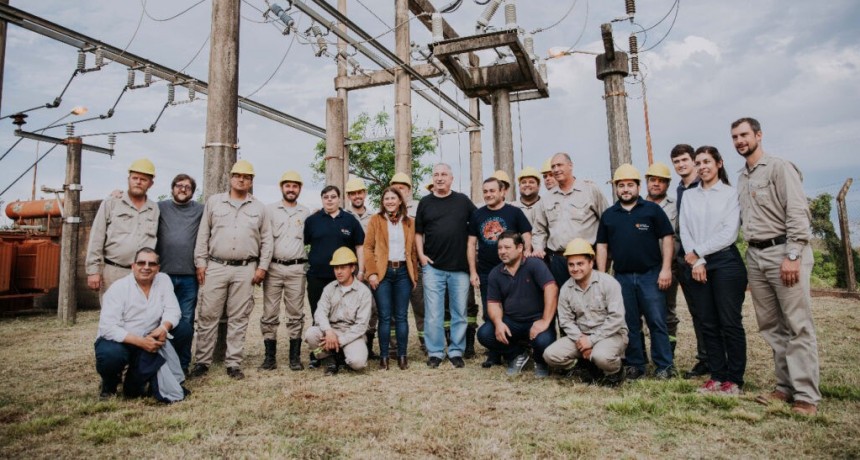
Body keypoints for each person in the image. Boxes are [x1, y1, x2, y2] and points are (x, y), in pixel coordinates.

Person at [732, 117, 820, 415]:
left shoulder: (780, 167)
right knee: (771, 325)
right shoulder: (742, 176)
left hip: (783, 251)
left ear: (758, 135)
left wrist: (793, 254)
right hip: (755, 255)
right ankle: (784, 387)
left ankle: (806, 395)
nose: (740, 141)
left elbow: (797, 211)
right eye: (735, 137)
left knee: (797, 324)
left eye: (744, 135)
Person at [190, 159, 273, 380]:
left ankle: (234, 362)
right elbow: (203, 235)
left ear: (251, 181)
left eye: (246, 177)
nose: (241, 179)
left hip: (246, 269)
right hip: (216, 266)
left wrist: (262, 267)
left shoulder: (259, 208)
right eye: (237, 175)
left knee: (239, 317)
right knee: (208, 315)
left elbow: (266, 240)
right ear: (230, 177)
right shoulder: (214, 203)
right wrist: (200, 262)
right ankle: (202, 362)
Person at [596, 164, 675, 380]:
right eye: (621, 185)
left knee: (657, 321)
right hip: (621, 277)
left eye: (630, 185)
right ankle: (635, 364)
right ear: (616, 188)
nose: (625, 189)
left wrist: (666, 269)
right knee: (629, 323)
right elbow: (602, 245)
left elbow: (667, 237)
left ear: (638, 187)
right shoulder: (609, 215)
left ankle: (664, 365)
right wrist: (602, 276)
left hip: (650, 274)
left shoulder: (652, 210)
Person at [680, 146, 748, 395]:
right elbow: (684, 229)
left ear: (719, 163)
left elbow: (729, 233)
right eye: (698, 162)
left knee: (729, 322)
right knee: (708, 322)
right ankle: (717, 376)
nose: (702, 166)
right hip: (697, 264)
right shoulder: (689, 196)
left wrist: (699, 253)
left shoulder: (730, 194)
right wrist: (696, 261)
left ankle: (735, 379)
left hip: (725, 262)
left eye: (707, 161)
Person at [94, 248, 191, 401]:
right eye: (141, 263)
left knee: (184, 329)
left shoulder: (163, 280)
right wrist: (141, 342)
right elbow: (108, 328)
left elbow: (173, 311)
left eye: (152, 264)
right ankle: (109, 384)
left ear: (158, 268)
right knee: (110, 355)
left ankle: (142, 374)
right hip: (123, 341)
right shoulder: (119, 288)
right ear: (133, 266)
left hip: (151, 335)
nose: (146, 267)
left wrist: (163, 328)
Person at [416, 163, 476, 368]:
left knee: (460, 312)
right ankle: (435, 352)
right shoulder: (425, 202)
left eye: (444, 174)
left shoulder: (463, 201)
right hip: (433, 267)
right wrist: (421, 256)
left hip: (459, 268)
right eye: (436, 175)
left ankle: (456, 351)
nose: (439, 178)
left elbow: (477, 223)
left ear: (451, 178)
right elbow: (418, 233)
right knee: (433, 313)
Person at [468, 177, 533, 368]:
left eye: (492, 191)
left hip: (514, 272)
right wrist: (473, 271)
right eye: (485, 191)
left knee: (513, 312)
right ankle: (495, 353)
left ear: (502, 192)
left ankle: (520, 347)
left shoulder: (515, 212)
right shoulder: (478, 215)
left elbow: (527, 235)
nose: (488, 194)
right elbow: (471, 244)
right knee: (491, 315)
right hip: (488, 273)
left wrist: (526, 256)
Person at [543, 239, 628, 386]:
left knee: (601, 356)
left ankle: (616, 372)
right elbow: (565, 320)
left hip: (610, 334)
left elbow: (616, 318)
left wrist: (592, 341)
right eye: (571, 264)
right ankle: (585, 367)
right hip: (582, 335)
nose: (575, 269)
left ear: (591, 262)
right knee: (550, 355)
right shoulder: (566, 289)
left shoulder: (608, 283)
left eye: (580, 263)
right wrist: (581, 340)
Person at [477, 231, 557, 377]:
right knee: (485, 334)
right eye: (499, 248)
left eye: (507, 247)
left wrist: (545, 321)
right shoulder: (495, 273)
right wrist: (498, 322)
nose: (502, 252)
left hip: (536, 320)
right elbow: (493, 303)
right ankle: (517, 354)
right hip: (512, 322)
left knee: (544, 342)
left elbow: (551, 289)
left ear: (520, 248)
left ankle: (540, 361)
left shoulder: (535, 264)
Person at [304, 185, 365, 367]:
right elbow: (306, 243)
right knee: (319, 315)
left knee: (343, 316)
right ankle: (320, 355)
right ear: (322, 199)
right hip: (317, 276)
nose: (329, 200)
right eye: (326, 197)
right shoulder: (312, 220)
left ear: (339, 199)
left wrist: (360, 270)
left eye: (333, 197)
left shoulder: (350, 220)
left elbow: (359, 246)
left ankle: (341, 351)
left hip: (342, 278)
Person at [86, 158, 159, 301]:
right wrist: (92, 271)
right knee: (112, 315)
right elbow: (97, 237)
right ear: (128, 179)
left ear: (150, 184)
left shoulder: (154, 208)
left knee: (140, 315)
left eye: (143, 179)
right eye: (135, 178)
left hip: (143, 272)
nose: (138, 182)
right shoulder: (111, 203)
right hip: (114, 271)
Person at [532, 152, 609, 287]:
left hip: (586, 258)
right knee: (563, 303)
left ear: (570, 166)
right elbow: (539, 230)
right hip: (558, 261)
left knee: (591, 303)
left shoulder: (590, 190)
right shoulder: (547, 198)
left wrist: (606, 257)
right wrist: (538, 248)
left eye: (559, 165)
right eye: (553, 166)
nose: (556, 169)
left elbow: (607, 222)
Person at [260, 171, 311, 371]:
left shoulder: (305, 212)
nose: (291, 189)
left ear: (300, 189)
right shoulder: (270, 210)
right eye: (288, 185)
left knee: (296, 313)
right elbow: (264, 239)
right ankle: (269, 357)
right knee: (270, 313)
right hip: (273, 267)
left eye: (295, 186)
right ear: (282, 187)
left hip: (297, 268)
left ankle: (294, 357)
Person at [363, 187, 418, 370]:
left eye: (393, 198)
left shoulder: (409, 222)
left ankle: (402, 356)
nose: (389, 201)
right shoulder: (375, 220)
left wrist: (414, 276)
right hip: (382, 273)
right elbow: (368, 248)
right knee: (385, 317)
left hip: (403, 272)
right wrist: (371, 272)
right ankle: (384, 357)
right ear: (382, 202)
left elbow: (412, 252)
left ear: (400, 201)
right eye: (386, 198)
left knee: (401, 316)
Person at [155, 173, 203, 375]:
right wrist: (116, 195)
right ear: (172, 188)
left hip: (189, 276)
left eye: (188, 187)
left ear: (193, 191)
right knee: (159, 319)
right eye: (179, 185)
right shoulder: (159, 207)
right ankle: (159, 361)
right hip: (162, 276)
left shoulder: (200, 210)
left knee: (185, 321)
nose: (183, 189)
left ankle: (182, 365)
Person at [671, 143, 710, 379]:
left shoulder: (704, 185)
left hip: (703, 258)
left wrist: (701, 258)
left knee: (710, 312)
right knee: (697, 312)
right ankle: (704, 358)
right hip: (684, 259)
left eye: (685, 160)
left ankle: (716, 358)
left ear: (694, 160)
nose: (681, 165)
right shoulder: (681, 188)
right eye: (676, 162)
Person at [304, 247, 373, 375]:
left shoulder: (364, 292)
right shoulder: (329, 289)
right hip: (331, 331)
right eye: (336, 268)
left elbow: (361, 325)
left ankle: (341, 356)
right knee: (310, 334)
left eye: (343, 267)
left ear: (352, 268)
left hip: (352, 334)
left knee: (358, 363)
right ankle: (329, 359)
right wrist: (328, 331)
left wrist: (339, 341)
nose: (339, 272)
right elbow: (320, 313)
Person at [643, 162, 680, 357]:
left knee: (668, 313)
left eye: (661, 181)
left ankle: (668, 353)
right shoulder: (637, 205)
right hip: (643, 269)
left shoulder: (676, 206)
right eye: (652, 180)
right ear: (646, 182)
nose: (656, 184)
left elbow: (680, 235)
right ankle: (640, 354)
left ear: (667, 184)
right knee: (639, 313)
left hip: (668, 268)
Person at [344, 177, 380, 359]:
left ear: (365, 194)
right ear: (348, 195)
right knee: (349, 309)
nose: (357, 196)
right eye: (353, 193)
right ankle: (349, 345)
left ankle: (368, 345)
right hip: (348, 271)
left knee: (372, 308)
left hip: (369, 270)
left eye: (360, 192)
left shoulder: (374, 218)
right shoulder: (343, 216)